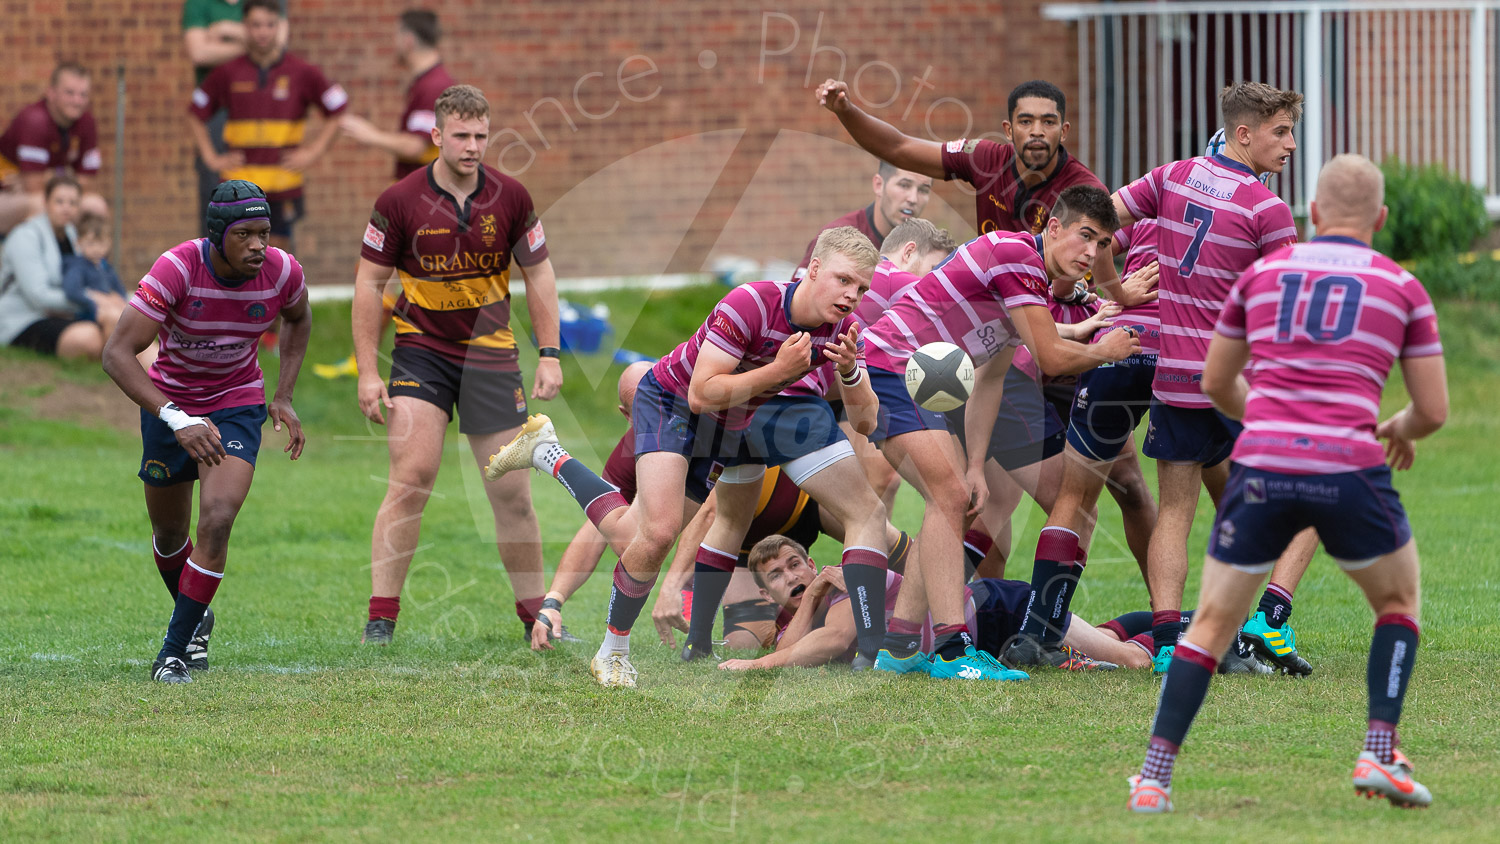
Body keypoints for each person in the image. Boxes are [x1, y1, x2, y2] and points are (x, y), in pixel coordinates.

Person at [1127, 154, 1447, 812]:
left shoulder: (1264, 275)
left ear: (1315, 214)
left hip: (1263, 466)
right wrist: (1397, 427)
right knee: (1398, 603)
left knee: (1210, 624)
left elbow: (1217, 382)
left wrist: (1270, 418)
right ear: (1381, 219)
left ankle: (1155, 779)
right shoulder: (1403, 287)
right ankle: (1380, 751)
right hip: (1351, 467)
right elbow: (1434, 410)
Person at [483, 227, 886, 688]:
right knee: (657, 534)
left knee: (631, 537)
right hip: (673, 405)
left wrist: (852, 372)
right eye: (844, 280)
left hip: (727, 429)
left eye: (861, 288)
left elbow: (867, 423)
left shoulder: (843, 332)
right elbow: (700, 393)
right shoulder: (751, 302)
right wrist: (779, 370)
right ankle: (613, 652)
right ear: (813, 270)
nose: (852, 295)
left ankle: (547, 452)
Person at [859, 185, 1140, 682]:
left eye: (1102, 246)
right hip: (894, 364)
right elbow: (1051, 358)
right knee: (946, 498)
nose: (1093, 254)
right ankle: (950, 650)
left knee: (955, 497)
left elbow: (990, 378)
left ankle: (900, 647)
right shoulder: (1014, 254)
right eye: (1086, 237)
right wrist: (1104, 351)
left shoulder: (1026, 284)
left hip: (920, 378)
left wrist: (975, 465)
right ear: (1053, 228)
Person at [1095, 82, 1314, 671]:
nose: (1291, 144)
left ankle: (1168, 638)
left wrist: (1109, 286)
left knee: (1175, 511)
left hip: (1174, 379)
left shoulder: (1171, 176)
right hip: (1237, 386)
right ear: (1244, 134)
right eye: (1281, 132)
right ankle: (1270, 619)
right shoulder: (1267, 210)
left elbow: (1098, 221)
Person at [353, 84, 562, 647]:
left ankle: (534, 619)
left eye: (481, 136)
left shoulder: (512, 197)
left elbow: (539, 275)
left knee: (512, 493)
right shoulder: (398, 201)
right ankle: (381, 618)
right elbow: (368, 285)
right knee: (412, 479)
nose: (472, 147)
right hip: (421, 353)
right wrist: (368, 371)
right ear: (437, 136)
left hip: (492, 357)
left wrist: (549, 353)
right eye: (461, 136)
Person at [99, 179, 310, 684]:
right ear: (218, 236)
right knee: (170, 534)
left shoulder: (282, 271)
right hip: (170, 405)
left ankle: (172, 653)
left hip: (238, 404)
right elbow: (115, 354)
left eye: (265, 232)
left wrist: (281, 394)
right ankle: (196, 615)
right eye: (246, 235)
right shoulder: (178, 268)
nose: (260, 245)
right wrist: (176, 418)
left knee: (216, 520)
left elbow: (299, 321)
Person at [315, 8, 457, 381]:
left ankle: (401, 360)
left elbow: (417, 146)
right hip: (418, 200)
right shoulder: (426, 82)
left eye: (397, 37)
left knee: (378, 275)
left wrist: (368, 134)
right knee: (380, 275)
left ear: (408, 39)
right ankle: (368, 358)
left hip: (424, 202)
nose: (395, 44)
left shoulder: (433, 86)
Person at [816, 78, 1103, 237]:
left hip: (1050, 308)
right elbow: (898, 148)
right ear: (1008, 129)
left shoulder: (1085, 190)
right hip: (989, 300)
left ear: (1064, 131)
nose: (1037, 132)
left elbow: (1102, 252)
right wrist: (846, 111)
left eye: (1049, 123)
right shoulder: (983, 157)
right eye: (1026, 122)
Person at [188, 0, 347, 253]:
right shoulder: (227, 72)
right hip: (238, 185)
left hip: (282, 182)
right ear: (245, 27)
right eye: (255, 25)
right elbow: (195, 112)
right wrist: (211, 157)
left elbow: (338, 110)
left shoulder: (302, 71)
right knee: (235, 252)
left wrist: (314, 152)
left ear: (280, 26)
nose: (263, 32)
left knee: (277, 255)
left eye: (270, 25)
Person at [181, 0, 290, 235]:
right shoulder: (199, 3)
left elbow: (278, 45)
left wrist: (224, 31)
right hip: (218, 115)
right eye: (255, 25)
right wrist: (252, 44)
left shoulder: (266, 3)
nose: (261, 32)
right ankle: (215, 266)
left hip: (266, 113)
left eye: (265, 25)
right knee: (218, 196)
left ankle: (273, 268)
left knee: (272, 202)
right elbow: (199, 53)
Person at [0, 176, 104, 359]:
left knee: (114, 320)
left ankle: (153, 370)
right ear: (45, 203)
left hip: (61, 313)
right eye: (59, 201)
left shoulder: (73, 237)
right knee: (90, 337)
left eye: (73, 203)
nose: (66, 208)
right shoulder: (25, 237)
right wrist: (91, 300)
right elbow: (39, 296)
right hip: (23, 320)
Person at [0, 63, 106, 235]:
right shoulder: (35, 120)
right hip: (7, 194)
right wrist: (69, 175)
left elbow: (88, 183)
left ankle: (86, 261)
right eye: (69, 93)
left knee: (95, 206)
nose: (77, 101)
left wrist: (52, 175)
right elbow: (34, 186)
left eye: (83, 94)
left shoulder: (86, 122)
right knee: (43, 206)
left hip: (41, 191)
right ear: (51, 93)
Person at [791, 160, 933, 280]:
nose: (913, 199)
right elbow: (795, 302)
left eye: (923, 190)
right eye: (904, 185)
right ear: (879, 185)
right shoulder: (837, 239)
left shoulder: (928, 250)